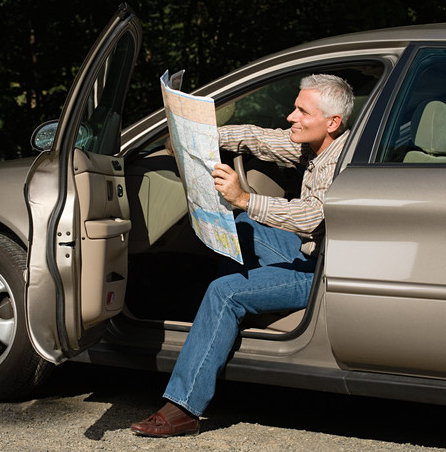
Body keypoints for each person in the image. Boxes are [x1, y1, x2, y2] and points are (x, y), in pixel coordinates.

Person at [131, 74, 354, 437]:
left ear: (332, 122)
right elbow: (258, 138)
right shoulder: (316, 146)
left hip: (322, 271)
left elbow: (313, 216)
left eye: (302, 111)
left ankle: (184, 407)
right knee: (240, 228)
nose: (290, 117)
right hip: (308, 254)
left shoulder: (337, 163)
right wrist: (199, 140)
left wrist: (246, 199)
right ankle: (222, 327)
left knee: (224, 291)